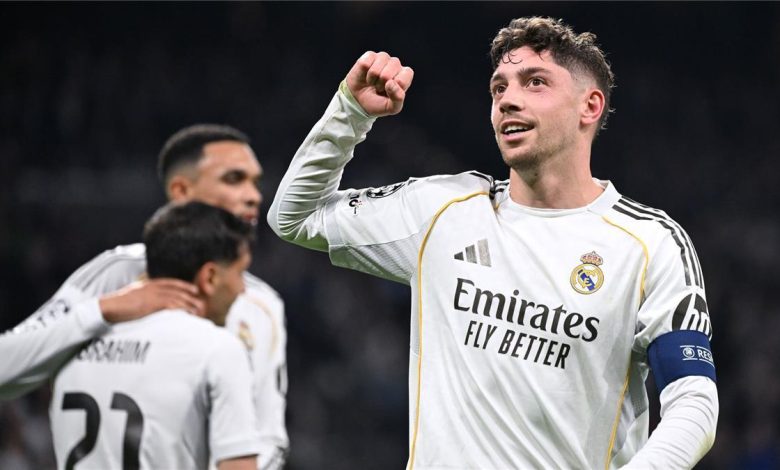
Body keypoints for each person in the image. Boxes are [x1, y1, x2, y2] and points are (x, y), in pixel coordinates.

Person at [268, 16, 718, 470]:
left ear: (590, 106)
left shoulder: (650, 245)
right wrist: (349, 112)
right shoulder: (441, 211)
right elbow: (296, 216)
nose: (508, 100)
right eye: (498, 88)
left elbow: (693, 401)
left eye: (535, 82)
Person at [0, 124, 288, 469]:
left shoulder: (261, 305)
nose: (254, 195)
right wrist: (104, 308)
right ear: (181, 191)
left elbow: (268, 438)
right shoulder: (114, 274)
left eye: (256, 182)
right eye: (234, 179)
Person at [50, 201, 260, 470]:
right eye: (241, 273)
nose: (243, 289)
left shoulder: (72, 343)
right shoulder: (218, 349)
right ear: (209, 277)